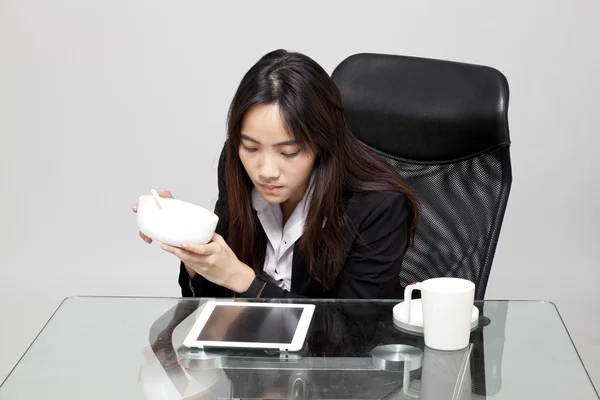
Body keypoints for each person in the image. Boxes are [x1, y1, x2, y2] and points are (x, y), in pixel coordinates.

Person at [132, 49, 420, 299]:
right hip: (255, 356)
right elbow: (214, 304)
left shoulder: (379, 207)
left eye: (288, 152)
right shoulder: (235, 166)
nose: (266, 172)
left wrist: (244, 281)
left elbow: (353, 333)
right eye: (251, 147)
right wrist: (190, 242)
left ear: (322, 144)